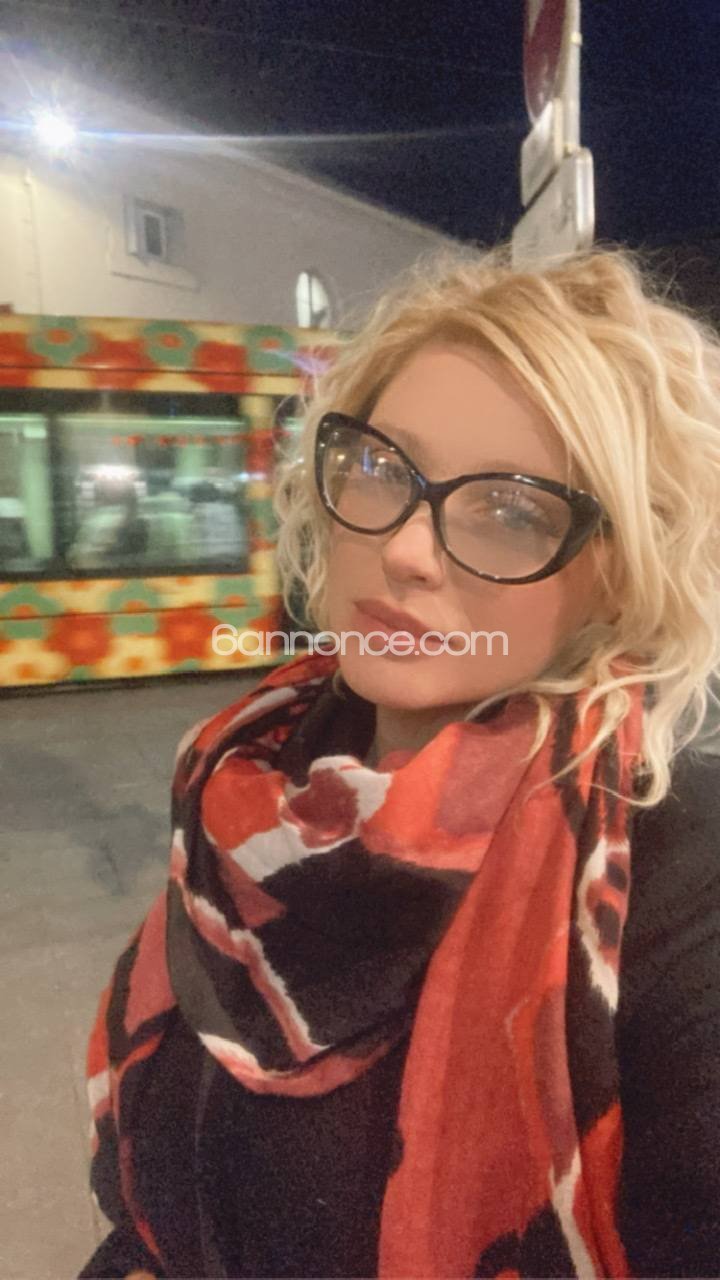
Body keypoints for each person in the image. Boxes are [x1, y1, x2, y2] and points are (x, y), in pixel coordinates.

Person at [80, 247, 720, 1279]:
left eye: (511, 510)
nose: (409, 551)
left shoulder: (675, 886)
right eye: (381, 466)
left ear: (620, 573)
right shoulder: (247, 789)